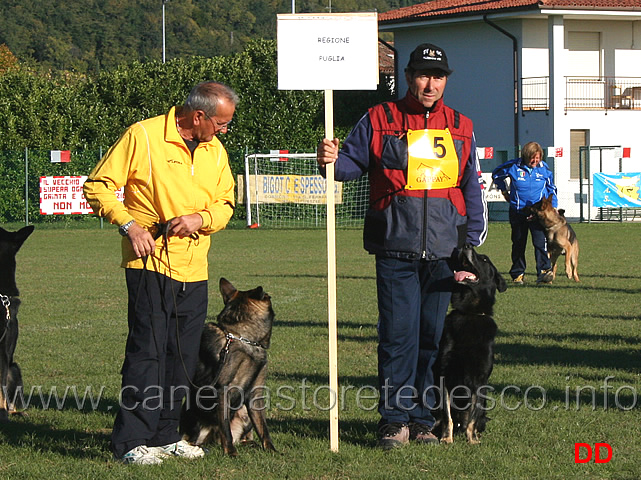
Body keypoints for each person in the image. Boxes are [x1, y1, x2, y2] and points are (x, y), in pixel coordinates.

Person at [316, 43, 488, 449]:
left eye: (438, 76)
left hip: (445, 254)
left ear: (446, 80)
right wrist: (329, 158)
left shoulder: (461, 125)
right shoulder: (379, 118)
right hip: (395, 248)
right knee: (398, 337)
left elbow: (471, 186)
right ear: (409, 77)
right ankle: (394, 421)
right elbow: (349, 166)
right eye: (423, 75)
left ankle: (423, 420)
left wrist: (470, 243)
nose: (430, 84)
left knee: (432, 338)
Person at [83, 81, 237, 465]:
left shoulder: (215, 150)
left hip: (195, 267)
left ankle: (167, 434)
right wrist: (129, 226)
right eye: (221, 122)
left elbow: (226, 203)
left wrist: (200, 218)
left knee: (181, 356)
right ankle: (130, 442)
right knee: (146, 353)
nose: (225, 130)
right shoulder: (144, 135)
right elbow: (98, 186)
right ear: (198, 116)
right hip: (150, 264)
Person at [492, 141, 558, 284]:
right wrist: (504, 191)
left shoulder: (544, 169)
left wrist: (554, 206)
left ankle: (544, 272)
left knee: (540, 243)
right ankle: (518, 274)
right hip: (518, 211)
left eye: (538, 158)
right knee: (518, 244)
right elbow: (496, 174)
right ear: (525, 156)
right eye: (532, 158)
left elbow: (551, 188)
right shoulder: (513, 166)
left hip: (538, 214)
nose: (535, 161)